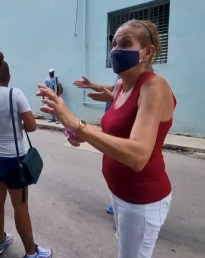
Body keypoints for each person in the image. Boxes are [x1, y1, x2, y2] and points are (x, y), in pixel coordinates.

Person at [38, 20, 175, 258]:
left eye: (125, 43)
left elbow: (138, 155)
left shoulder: (154, 87)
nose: (116, 50)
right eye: (114, 44)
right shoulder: (121, 87)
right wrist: (78, 132)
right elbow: (114, 135)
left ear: (148, 52)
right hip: (119, 193)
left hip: (142, 199)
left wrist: (76, 123)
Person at [0, 50, 53, 258]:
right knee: (20, 207)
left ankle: (0, 241)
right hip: (12, 159)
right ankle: (31, 252)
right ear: (8, 77)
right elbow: (32, 126)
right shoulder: (14, 94)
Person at [73, 74, 122, 216]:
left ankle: (122, 205)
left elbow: (130, 100)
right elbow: (115, 89)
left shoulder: (143, 78)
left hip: (120, 132)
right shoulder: (123, 75)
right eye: (114, 49)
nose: (115, 51)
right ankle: (117, 201)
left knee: (121, 169)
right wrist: (92, 85)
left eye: (124, 49)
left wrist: (114, 99)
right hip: (112, 127)